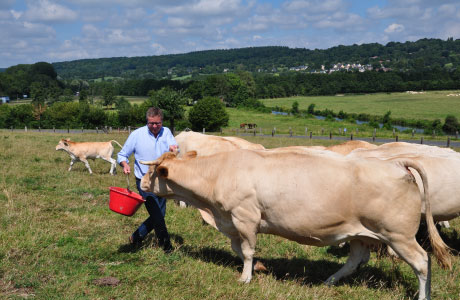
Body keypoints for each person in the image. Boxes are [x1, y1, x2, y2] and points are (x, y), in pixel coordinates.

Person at [117, 107, 178, 252]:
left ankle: (137, 236)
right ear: (147, 121)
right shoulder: (137, 135)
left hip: (162, 180)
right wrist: (125, 164)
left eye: (158, 123)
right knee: (157, 214)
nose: (155, 126)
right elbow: (122, 154)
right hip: (144, 181)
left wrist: (174, 149)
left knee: (160, 214)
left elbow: (175, 149)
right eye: (151, 123)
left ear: (161, 121)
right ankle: (167, 247)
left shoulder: (167, 132)